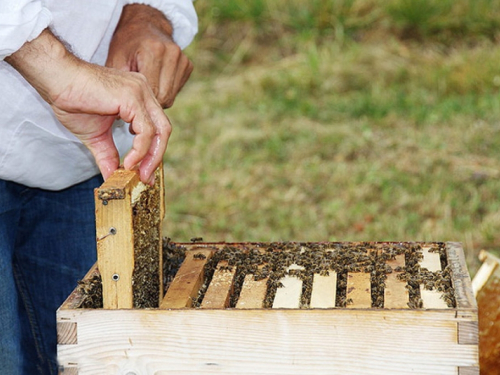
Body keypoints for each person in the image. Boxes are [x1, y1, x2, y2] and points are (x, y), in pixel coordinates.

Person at [0, 1, 197, 374]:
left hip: (82, 156)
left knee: (101, 355)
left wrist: (145, 16)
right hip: (68, 99)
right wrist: (57, 68)